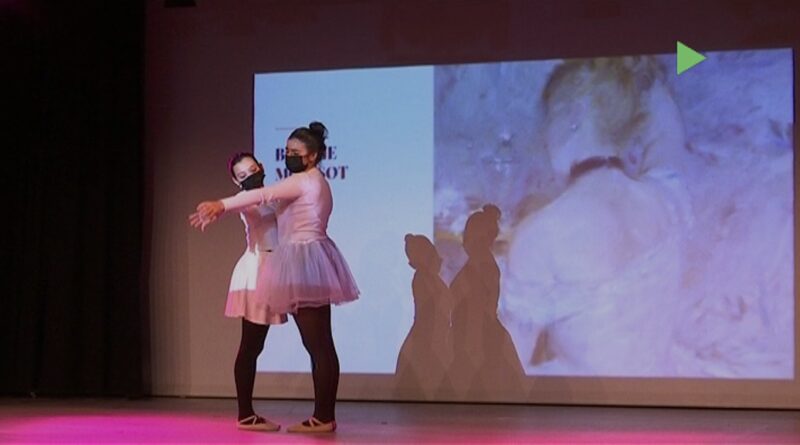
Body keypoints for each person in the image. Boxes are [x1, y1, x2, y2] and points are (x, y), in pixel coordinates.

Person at [190, 122, 359, 433]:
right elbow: (257, 198)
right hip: (267, 271)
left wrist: (220, 204)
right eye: (287, 151)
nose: (289, 155)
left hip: (297, 263)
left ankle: (323, 416)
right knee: (279, 345)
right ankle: (270, 414)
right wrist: (225, 205)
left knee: (318, 345)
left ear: (312, 156)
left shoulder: (302, 182)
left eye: (296, 151)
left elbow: (266, 193)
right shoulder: (306, 182)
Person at [224, 152, 285, 432]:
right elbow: (235, 204)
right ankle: (245, 414)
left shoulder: (276, 194)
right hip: (258, 274)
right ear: (237, 182)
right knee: (251, 345)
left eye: (253, 170)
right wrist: (217, 206)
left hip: (281, 270)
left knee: (255, 346)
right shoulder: (245, 199)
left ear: (261, 167)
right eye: (243, 176)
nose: (250, 176)